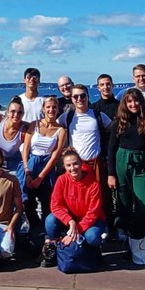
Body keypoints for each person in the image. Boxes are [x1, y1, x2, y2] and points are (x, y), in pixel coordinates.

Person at [40, 148, 107, 267]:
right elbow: (55, 205)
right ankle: (54, 250)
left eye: (75, 164)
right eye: (68, 165)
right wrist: (70, 221)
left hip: (92, 221)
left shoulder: (93, 184)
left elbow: (93, 212)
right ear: (64, 167)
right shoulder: (62, 180)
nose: (72, 168)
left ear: (81, 163)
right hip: (71, 219)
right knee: (50, 220)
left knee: (92, 237)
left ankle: (91, 252)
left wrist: (73, 234)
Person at [107, 88, 145, 248]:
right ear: (124, 104)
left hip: (141, 162)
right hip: (122, 160)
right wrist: (111, 173)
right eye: (129, 101)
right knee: (123, 200)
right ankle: (126, 234)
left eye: (136, 101)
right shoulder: (119, 122)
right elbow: (111, 149)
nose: (133, 104)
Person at [57, 84, 112, 221]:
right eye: (75, 96)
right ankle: (77, 224)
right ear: (71, 98)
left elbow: (114, 130)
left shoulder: (99, 116)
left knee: (100, 196)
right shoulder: (67, 117)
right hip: (76, 166)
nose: (79, 99)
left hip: (95, 165)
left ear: (88, 97)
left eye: (83, 95)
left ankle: (101, 225)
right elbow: (53, 127)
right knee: (76, 197)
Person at [20, 95, 67, 235]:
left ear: (58, 109)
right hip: (31, 164)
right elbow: (26, 149)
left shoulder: (61, 130)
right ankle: (32, 230)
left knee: (47, 200)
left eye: (54, 107)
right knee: (27, 199)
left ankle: (48, 233)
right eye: (48, 107)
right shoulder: (34, 125)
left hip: (47, 167)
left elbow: (55, 155)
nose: (51, 110)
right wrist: (27, 171)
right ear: (43, 109)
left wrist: (40, 177)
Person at [0, 96, 28, 180]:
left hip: (12, 166)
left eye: (19, 112)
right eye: (13, 111)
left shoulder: (24, 130)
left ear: (23, 114)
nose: (16, 115)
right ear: (7, 112)